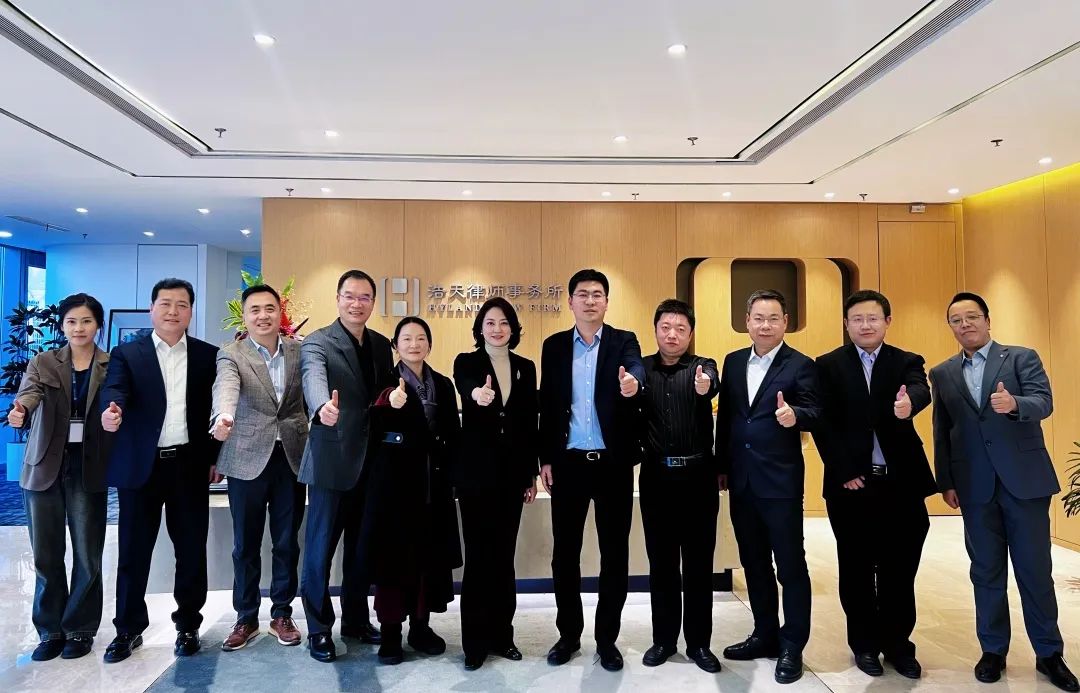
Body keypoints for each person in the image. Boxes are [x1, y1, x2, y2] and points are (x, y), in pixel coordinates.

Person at [930, 292, 1078, 691]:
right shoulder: (942, 373)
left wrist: (1014, 404)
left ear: (987, 320)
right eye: (956, 320)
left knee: (1035, 571)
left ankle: (1049, 653)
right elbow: (942, 430)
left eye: (972, 317)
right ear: (951, 327)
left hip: (1024, 483)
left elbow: (1044, 402)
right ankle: (993, 650)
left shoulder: (1020, 358)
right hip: (974, 487)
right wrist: (946, 481)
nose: (965, 325)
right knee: (985, 572)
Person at [813, 290, 936, 679]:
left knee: (900, 569)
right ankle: (864, 645)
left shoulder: (906, 361)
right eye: (857, 319)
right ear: (846, 324)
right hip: (851, 486)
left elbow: (920, 389)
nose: (865, 325)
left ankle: (899, 645)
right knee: (856, 569)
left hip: (900, 484)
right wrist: (844, 469)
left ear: (887, 322)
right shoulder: (828, 365)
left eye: (873, 318)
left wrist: (909, 404)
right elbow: (823, 422)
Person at [99, 278, 221, 663]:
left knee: (191, 550)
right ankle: (128, 629)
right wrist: (112, 410)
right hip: (142, 466)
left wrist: (215, 457)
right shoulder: (127, 353)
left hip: (189, 465)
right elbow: (114, 389)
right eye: (165, 303)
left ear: (190, 311)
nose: (173, 311)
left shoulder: (208, 355)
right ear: (152, 308)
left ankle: (188, 625)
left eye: (181, 304)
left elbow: (216, 408)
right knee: (134, 551)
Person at [538, 268, 645, 672]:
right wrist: (545, 458)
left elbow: (636, 370)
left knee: (614, 554)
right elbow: (548, 406)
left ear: (606, 301)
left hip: (612, 464)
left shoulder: (623, 341)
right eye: (582, 294)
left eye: (597, 294)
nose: (589, 300)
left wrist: (632, 384)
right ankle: (568, 635)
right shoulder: (554, 346)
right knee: (564, 555)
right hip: (568, 465)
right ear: (570, 302)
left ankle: (606, 639)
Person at [715, 289, 820, 684]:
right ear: (747, 322)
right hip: (741, 481)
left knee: (790, 565)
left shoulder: (801, 365)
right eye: (758, 318)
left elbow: (817, 410)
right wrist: (722, 467)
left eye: (773, 318)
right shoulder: (733, 361)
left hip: (780, 482)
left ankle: (792, 644)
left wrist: (797, 415)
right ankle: (764, 634)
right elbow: (728, 418)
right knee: (755, 562)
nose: (765, 325)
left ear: (785, 322)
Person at [298, 269, 394, 663]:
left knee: (360, 550)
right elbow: (312, 379)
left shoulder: (381, 345)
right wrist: (322, 407)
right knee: (320, 549)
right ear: (338, 299)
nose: (357, 304)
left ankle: (355, 620)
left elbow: (384, 396)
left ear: (373, 302)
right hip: (331, 460)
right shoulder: (317, 342)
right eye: (350, 296)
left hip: (371, 464)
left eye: (364, 297)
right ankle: (318, 628)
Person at [9, 293, 110, 661]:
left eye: (86, 321)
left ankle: (80, 629)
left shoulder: (110, 364)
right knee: (46, 553)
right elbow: (28, 394)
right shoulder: (44, 362)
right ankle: (50, 630)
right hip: (44, 465)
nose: (78, 328)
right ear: (62, 325)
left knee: (88, 553)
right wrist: (21, 410)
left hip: (88, 466)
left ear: (97, 325)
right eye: (71, 321)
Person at [210, 284, 308, 651]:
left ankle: (282, 614)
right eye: (255, 310)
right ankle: (246, 617)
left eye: (269, 308)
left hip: (291, 457)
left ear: (280, 313)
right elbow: (226, 388)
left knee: (286, 542)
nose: (263, 316)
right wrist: (224, 416)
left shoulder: (300, 350)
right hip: (246, 456)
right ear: (245, 316)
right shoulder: (231, 353)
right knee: (245, 544)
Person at [362, 317, 462, 665]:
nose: (414, 344)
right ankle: (391, 633)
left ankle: (421, 628)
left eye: (421, 338)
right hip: (395, 487)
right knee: (393, 561)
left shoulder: (443, 384)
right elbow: (371, 425)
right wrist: (389, 403)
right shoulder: (384, 381)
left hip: (433, 484)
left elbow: (453, 432)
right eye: (406, 339)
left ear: (429, 345)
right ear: (395, 345)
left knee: (427, 560)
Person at [452, 297, 538, 671]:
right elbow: (466, 385)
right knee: (478, 558)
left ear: (513, 328)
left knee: (504, 558)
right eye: (490, 322)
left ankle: (503, 636)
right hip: (476, 478)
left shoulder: (525, 367)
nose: (497, 329)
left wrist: (530, 474)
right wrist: (477, 394)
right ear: (480, 328)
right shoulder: (466, 362)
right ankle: (474, 643)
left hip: (512, 479)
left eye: (504, 322)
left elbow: (529, 423)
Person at [638, 299, 722, 673]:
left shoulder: (703, 366)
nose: (672, 334)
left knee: (699, 564)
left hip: (698, 478)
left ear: (690, 333)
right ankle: (664, 640)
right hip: (657, 478)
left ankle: (699, 644)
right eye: (665, 327)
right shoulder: (641, 369)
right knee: (662, 564)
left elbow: (711, 383)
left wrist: (705, 386)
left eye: (680, 329)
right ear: (656, 329)